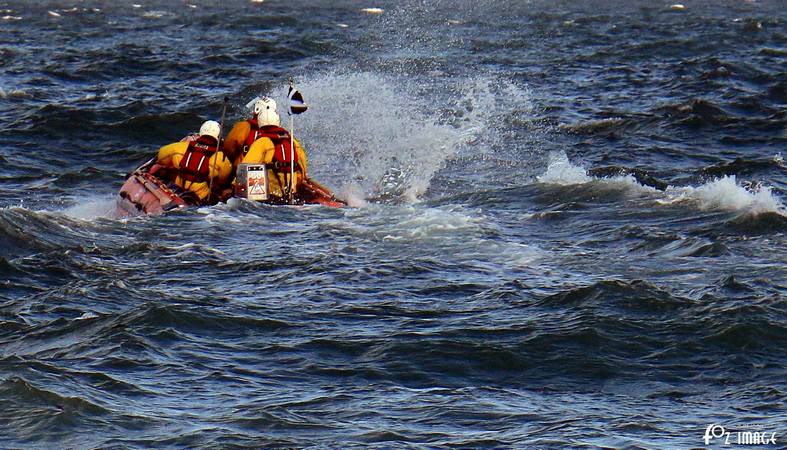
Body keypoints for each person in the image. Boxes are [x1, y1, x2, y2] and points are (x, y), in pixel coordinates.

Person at [225, 97, 309, 202]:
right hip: (291, 195)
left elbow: (246, 167)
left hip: (270, 196)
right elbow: (303, 171)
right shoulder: (292, 141)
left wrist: (233, 186)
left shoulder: (262, 142)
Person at [155, 120, 233, 205]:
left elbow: (161, 155)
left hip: (178, 189)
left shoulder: (182, 147)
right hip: (201, 197)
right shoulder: (221, 157)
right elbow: (223, 179)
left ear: (200, 134)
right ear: (219, 137)